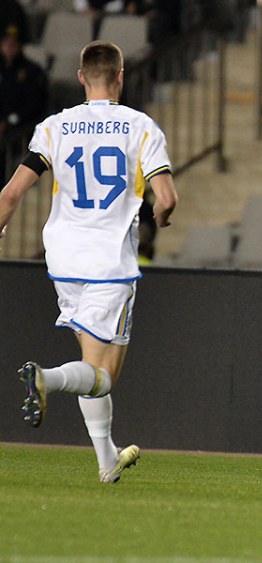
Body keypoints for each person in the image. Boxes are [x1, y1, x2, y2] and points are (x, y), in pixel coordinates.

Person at [0, 40, 178, 483]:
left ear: (81, 77)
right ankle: (46, 378)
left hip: (62, 258)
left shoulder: (54, 126)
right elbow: (168, 196)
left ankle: (106, 461)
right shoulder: (141, 127)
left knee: (92, 361)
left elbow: (10, 195)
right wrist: (163, 212)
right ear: (121, 77)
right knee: (103, 375)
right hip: (109, 261)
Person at [0, 23, 48, 182]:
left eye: (12, 44)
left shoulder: (32, 72)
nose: (9, 47)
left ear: (20, 45)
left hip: (19, 130)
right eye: (6, 43)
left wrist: (8, 122)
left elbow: (34, 107)